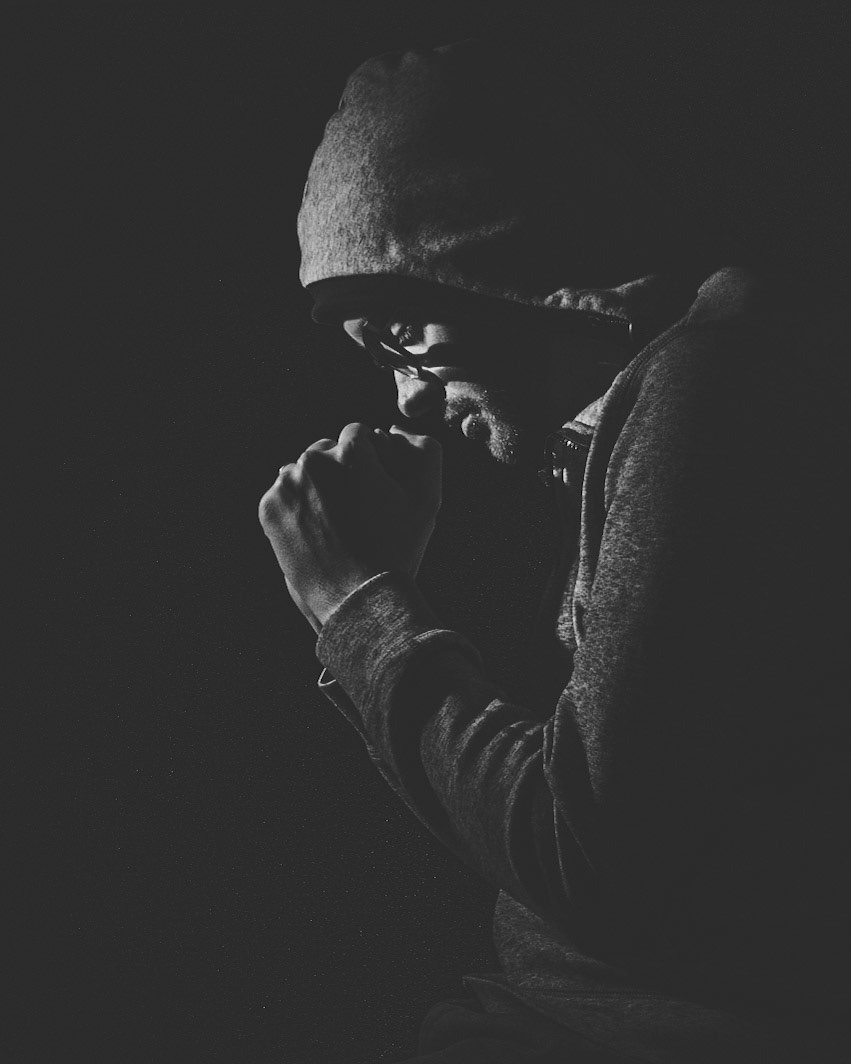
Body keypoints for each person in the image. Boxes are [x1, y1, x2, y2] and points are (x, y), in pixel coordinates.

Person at [259, 39, 849, 1063]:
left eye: (405, 328)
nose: (405, 394)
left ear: (498, 259)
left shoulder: (711, 388)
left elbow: (589, 861)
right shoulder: (653, 403)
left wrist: (354, 604)